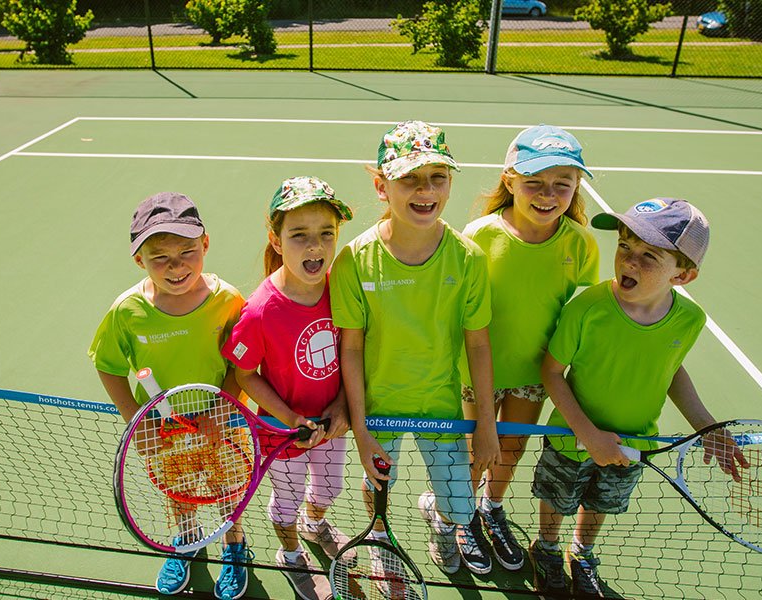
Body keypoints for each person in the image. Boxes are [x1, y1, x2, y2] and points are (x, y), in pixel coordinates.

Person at [534, 198, 747, 596]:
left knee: (600, 503)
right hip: (571, 439)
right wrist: (589, 434)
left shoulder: (689, 319)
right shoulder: (587, 309)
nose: (629, 261)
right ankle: (546, 549)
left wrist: (707, 426)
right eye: (625, 246)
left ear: (683, 276)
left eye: (649, 255)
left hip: (636, 442)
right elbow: (551, 372)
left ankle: (581, 553)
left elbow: (672, 372)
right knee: (558, 500)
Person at [330, 120, 500, 579]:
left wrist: (485, 423)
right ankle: (380, 533)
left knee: (461, 507)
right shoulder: (353, 260)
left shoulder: (468, 259)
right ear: (381, 185)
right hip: (379, 408)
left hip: (439, 405)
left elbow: (479, 345)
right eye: (409, 178)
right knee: (378, 484)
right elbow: (351, 347)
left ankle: (443, 525)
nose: (425, 190)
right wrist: (362, 429)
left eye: (437, 177)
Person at [88, 192, 251, 599]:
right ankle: (187, 541)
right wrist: (136, 422)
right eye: (160, 257)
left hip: (223, 421)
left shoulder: (228, 302)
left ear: (206, 245)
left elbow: (240, 366)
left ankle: (235, 547)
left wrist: (221, 410)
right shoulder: (126, 312)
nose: (176, 266)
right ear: (139, 260)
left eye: (187, 251)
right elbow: (108, 365)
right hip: (163, 429)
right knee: (179, 495)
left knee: (229, 492)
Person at [460, 124, 600, 573]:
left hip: (534, 374)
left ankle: (491, 508)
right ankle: (461, 513)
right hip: (472, 373)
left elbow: (583, 313)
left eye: (563, 183)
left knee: (512, 448)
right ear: (509, 180)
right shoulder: (479, 235)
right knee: (472, 451)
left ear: (577, 187)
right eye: (535, 182)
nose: (548, 194)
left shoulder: (580, 243)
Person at [221, 176, 354, 600]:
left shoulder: (343, 289)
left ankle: (315, 525)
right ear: (276, 241)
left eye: (325, 234)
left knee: (330, 489)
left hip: (332, 424)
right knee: (287, 501)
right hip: (282, 433)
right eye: (299, 235)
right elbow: (244, 374)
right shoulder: (259, 310)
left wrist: (340, 405)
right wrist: (289, 418)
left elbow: (353, 352)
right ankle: (292, 553)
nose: (314, 247)